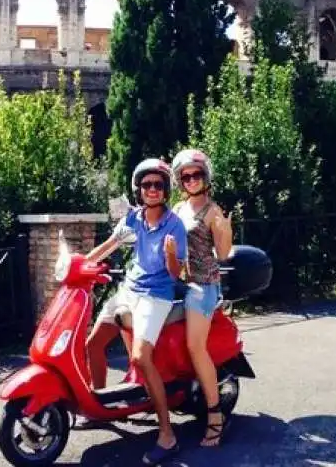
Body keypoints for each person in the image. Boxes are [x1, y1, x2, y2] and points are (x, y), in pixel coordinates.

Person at [85, 158, 188, 464]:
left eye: (158, 184)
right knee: (93, 344)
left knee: (141, 358)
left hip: (156, 295)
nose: (152, 189)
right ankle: (99, 409)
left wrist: (171, 255)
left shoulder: (174, 224)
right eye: (147, 184)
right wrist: (79, 264)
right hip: (129, 290)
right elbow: (109, 245)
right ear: (139, 189)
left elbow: (175, 274)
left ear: (165, 190)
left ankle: (167, 436)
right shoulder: (133, 219)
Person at [170, 148, 233, 447]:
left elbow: (222, 254)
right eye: (186, 176)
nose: (191, 180)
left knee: (196, 347)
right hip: (179, 282)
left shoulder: (212, 211)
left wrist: (225, 231)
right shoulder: (179, 208)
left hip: (203, 285)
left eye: (196, 175)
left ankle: (215, 417)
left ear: (205, 176)